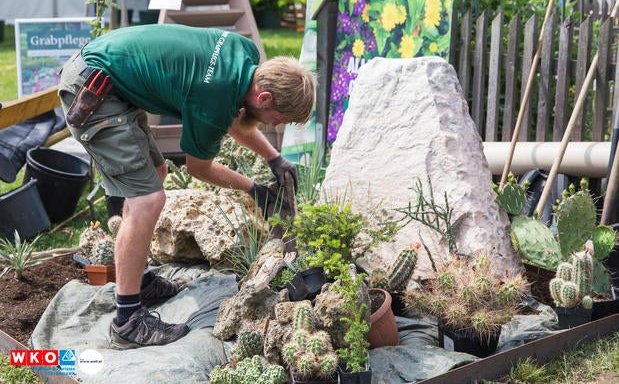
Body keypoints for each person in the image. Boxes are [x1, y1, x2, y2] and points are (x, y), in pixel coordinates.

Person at [58, 24, 315, 349]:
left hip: (115, 79)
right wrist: (253, 189)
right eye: (277, 118)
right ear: (264, 97)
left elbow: (234, 114)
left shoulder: (245, 54)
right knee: (147, 200)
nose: (274, 125)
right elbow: (199, 168)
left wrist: (274, 158)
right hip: (92, 92)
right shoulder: (215, 95)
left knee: (155, 172)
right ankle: (127, 322)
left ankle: (141, 281)